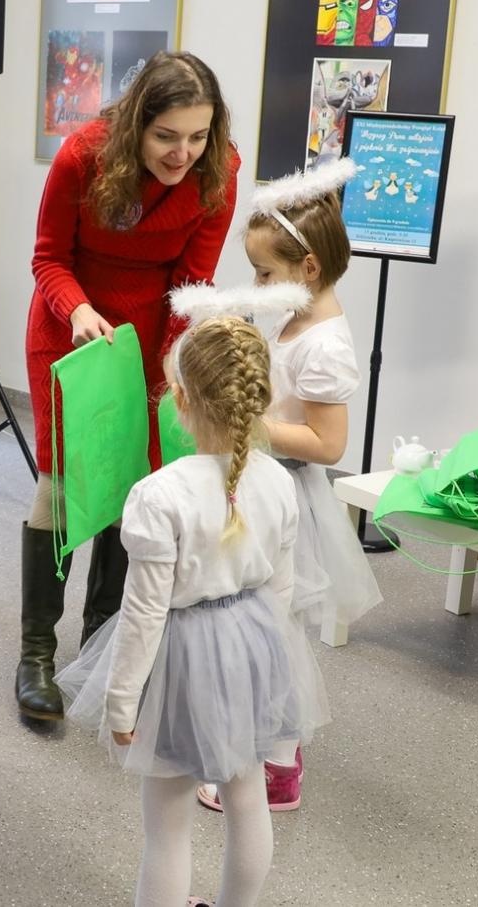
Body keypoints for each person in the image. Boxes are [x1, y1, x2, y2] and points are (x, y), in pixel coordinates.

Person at [54, 314, 328, 907]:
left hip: (185, 658)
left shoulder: (160, 496)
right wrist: (268, 672)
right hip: (255, 643)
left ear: (178, 396)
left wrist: (122, 704)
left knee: (168, 821)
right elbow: (280, 593)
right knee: (249, 794)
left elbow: (143, 615)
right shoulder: (279, 482)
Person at [18, 52, 240, 721]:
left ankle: (102, 639)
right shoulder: (81, 157)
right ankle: (35, 654)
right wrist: (80, 311)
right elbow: (48, 257)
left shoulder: (217, 172)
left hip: (153, 334)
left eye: (198, 136)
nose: (183, 152)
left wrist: (169, 367)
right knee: (64, 483)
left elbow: (192, 283)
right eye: (167, 136)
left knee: (132, 486)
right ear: (136, 125)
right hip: (74, 327)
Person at [199, 159, 381, 815]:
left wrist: (253, 424)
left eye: (266, 274)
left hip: (292, 500)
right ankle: (270, 755)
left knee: (273, 634)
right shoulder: (298, 316)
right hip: (264, 488)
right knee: (259, 627)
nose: (256, 284)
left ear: (308, 269)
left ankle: (274, 771)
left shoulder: (325, 344)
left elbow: (329, 445)